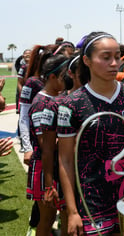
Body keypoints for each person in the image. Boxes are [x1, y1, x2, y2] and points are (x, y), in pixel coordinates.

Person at [57, 31, 124, 236]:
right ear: (87, 60)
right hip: (91, 200)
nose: (114, 63)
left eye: (117, 57)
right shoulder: (71, 104)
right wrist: (71, 212)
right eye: (106, 57)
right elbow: (65, 160)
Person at [26, 53, 68, 236]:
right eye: (64, 75)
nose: (67, 79)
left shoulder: (57, 97)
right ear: (52, 77)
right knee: (47, 219)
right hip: (45, 168)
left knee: (64, 213)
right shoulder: (42, 102)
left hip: (55, 166)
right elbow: (46, 145)